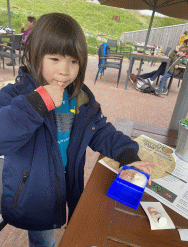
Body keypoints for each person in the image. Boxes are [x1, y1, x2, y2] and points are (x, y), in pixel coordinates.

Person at [0, 13, 154, 247]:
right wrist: (36, 104)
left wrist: (127, 155)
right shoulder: (15, 96)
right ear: (34, 56)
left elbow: (101, 131)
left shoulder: (79, 97)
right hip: (33, 194)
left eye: (73, 61)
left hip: (66, 182)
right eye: (55, 59)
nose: (65, 70)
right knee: (44, 241)